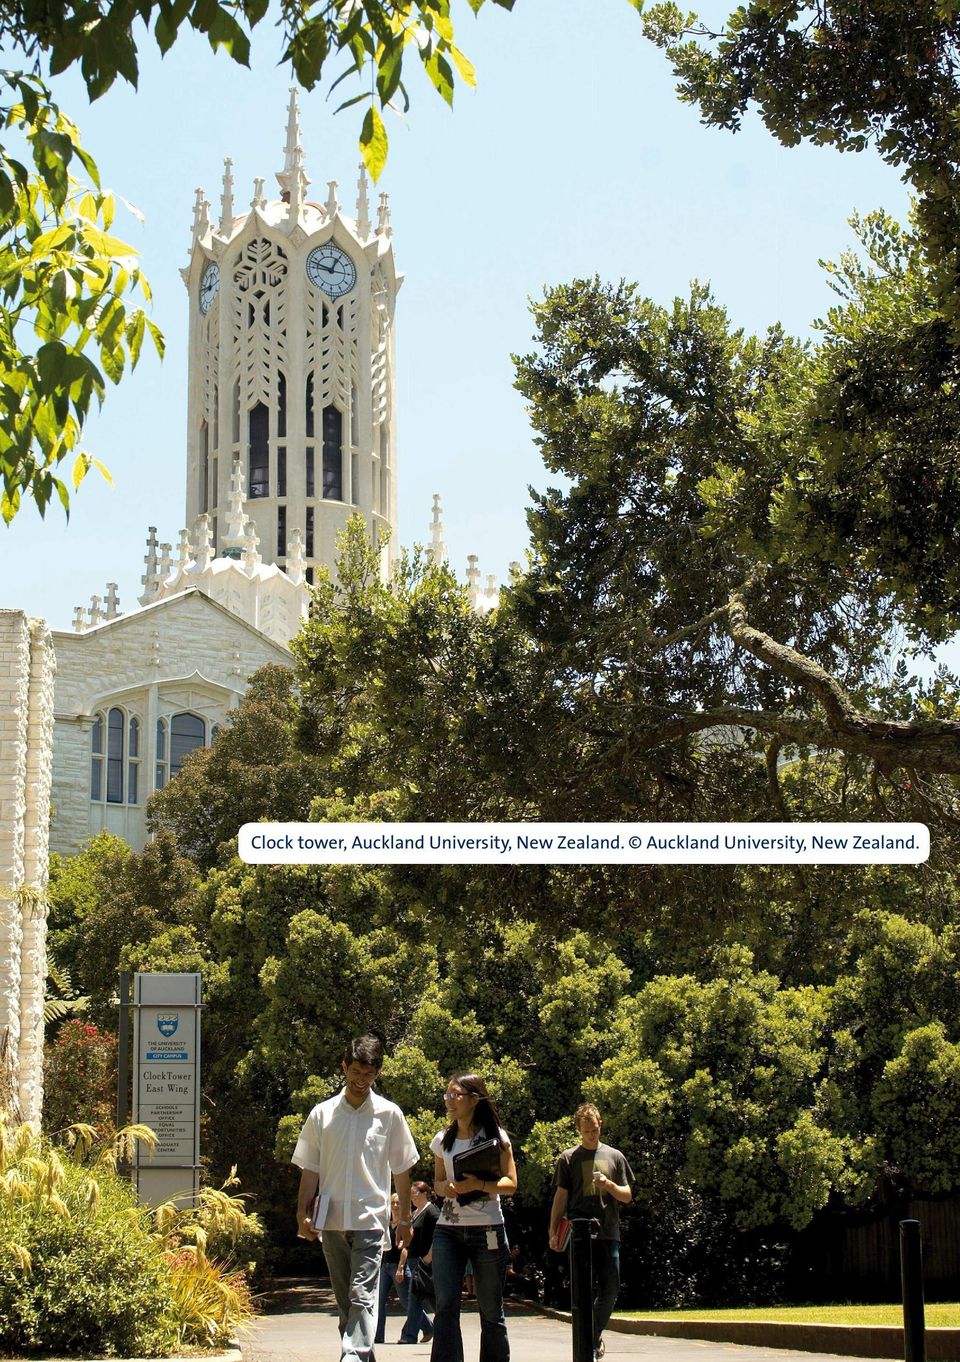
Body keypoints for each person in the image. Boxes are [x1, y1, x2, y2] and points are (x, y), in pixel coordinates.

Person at [293, 1034, 418, 1362]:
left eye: (369, 1074)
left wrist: (404, 1219)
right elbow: (310, 1168)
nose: (361, 1081)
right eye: (356, 1072)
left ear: (377, 1073)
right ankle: (362, 1355)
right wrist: (301, 1213)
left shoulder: (389, 1114)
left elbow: (403, 1169)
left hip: (371, 1219)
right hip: (331, 1220)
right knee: (346, 1302)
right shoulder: (322, 1114)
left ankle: (352, 1356)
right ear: (344, 1066)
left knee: (362, 1294)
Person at [429, 1073, 518, 1362]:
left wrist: (479, 1185)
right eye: (447, 1095)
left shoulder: (497, 1138)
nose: (449, 1101)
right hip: (448, 1231)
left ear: (474, 1099)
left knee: (491, 1309)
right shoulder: (442, 1140)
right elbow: (438, 1184)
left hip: (488, 1228)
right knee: (445, 1307)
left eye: (455, 1095)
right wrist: (448, 1188)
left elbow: (511, 1183)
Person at [548, 1103, 633, 1362]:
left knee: (610, 1289)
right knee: (582, 1292)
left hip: (608, 1231)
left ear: (600, 1126)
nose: (591, 1135)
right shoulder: (568, 1158)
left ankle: (592, 1335)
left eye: (594, 1130)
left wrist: (608, 1185)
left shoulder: (615, 1156)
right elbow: (560, 1196)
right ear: (578, 1130)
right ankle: (588, 1343)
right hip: (579, 1233)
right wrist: (552, 1229)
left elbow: (627, 1196)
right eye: (586, 1131)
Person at [397, 1179, 440, 1343]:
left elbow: (439, 1235)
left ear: (424, 1194)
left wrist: (429, 1257)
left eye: (414, 1194)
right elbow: (412, 1238)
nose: (411, 1197)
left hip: (425, 1262)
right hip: (413, 1261)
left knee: (416, 1298)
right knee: (424, 1298)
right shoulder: (415, 1213)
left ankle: (409, 1335)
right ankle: (432, 1328)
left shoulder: (432, 1212)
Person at [375, 1193, 410, 1345]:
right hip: (385, 1266)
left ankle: (428, 1327)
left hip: (397, 1266)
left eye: (398, 1203)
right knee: (379, 1301)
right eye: (393, 1203)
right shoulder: (387, 1225)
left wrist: (401, 1267)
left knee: (406, 1301)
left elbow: (406, 1248)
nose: (395, 1206)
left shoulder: (405, 1224)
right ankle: (378, 1336)